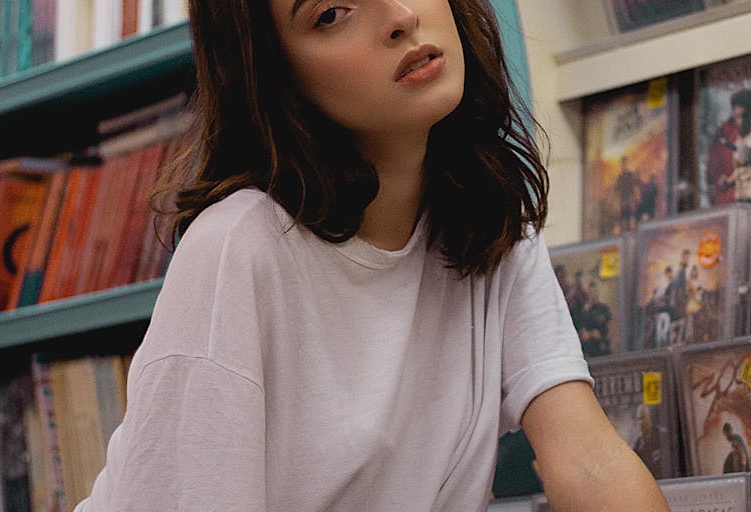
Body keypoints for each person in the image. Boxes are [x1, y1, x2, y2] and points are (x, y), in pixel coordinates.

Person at [74, 1, 668, 510]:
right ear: (276, 76)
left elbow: (587, 461)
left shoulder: (488, 222)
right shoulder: (238, 246)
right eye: (331, 14)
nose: (400, 17)